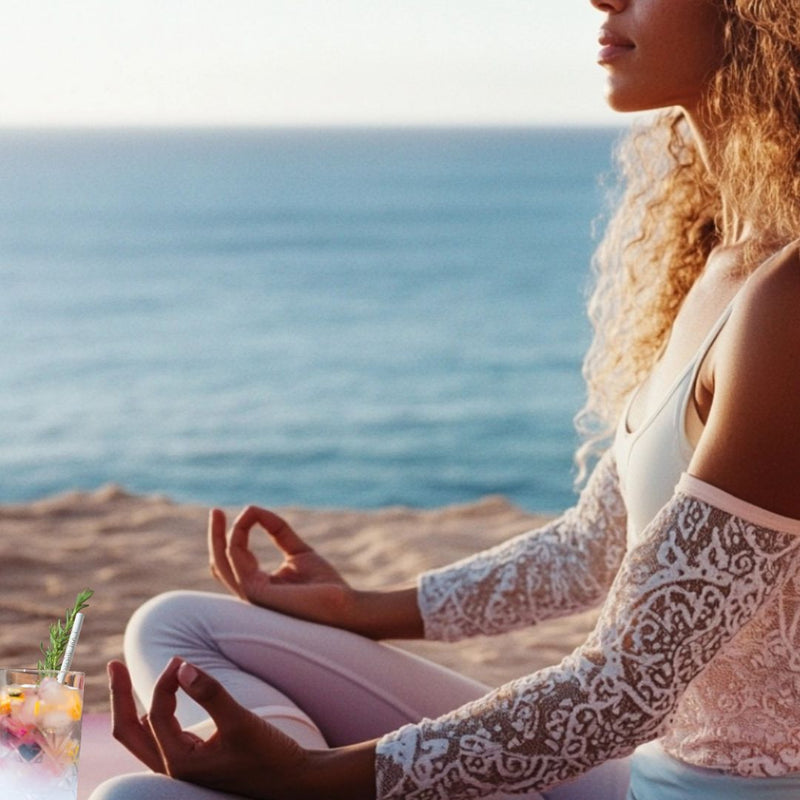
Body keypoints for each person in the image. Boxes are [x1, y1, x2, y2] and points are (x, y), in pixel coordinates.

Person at [90, 0, 800, 798]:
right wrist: (357, 606)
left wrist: (311, 777)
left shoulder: (789, 298)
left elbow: (622, 691)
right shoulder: (726, 261)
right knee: (176, 625)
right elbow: (590, 550)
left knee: (131, 798)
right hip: (641, 774)